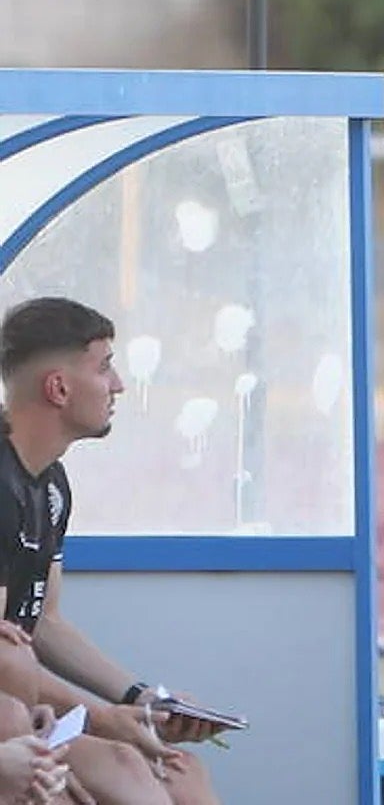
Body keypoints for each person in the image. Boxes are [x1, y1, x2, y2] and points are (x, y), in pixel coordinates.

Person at [0, 296, 229, 804]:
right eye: (104, 367)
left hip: (23, 706)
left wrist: (141, 700)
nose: (119, 384)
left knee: (181, 771)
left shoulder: (50, 483)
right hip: (10, 712)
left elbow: (47, 623)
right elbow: (5, 656)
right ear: (58, 388)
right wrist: (106, 721)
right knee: (127, 765)